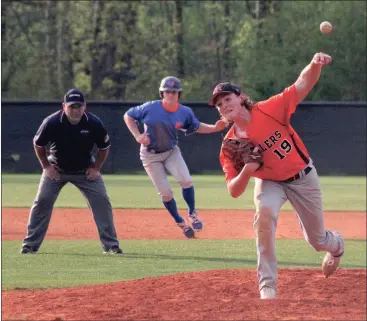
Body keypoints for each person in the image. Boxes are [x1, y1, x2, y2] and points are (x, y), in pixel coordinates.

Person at [208, 52, 344, 299]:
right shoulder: (229, 146)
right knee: (264, 215)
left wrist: (314, 64)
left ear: (240, 98)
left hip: (302, 177)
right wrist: (249, 170)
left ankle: (335, 245)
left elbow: (302, 84)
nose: (224, 105)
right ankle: (267, 285)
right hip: (269, 181)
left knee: (316, 240)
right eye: (218, 104)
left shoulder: (269, 109)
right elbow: (234, 191)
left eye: (227, 98)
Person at [21, 89, 122, 255]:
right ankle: (30, 245)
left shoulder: (93, 123)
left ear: (85, 107)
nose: (75, 110)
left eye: (79, 106)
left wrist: (96, 168)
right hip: (57, 170)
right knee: (42, 200)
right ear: (64, 107)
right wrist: (46, 167)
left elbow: (104, 147)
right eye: (71, 106)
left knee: (102, 201)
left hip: (85, 171)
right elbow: (38, 144)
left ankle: (111, 245)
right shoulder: (52, 122)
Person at [124, 76, 227, 238]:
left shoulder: (184, 112)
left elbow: (197, 126)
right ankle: (180, 222)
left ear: (179, 94)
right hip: (150, 155)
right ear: (162, 93)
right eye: (167, 92)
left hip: (171, 152)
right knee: (165, 193)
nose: (170, 95)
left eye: (174, 92)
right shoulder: (150, 108)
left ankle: (192, 213)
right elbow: (128, 116)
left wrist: (215, 128)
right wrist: (137, 135)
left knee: (186, 180)